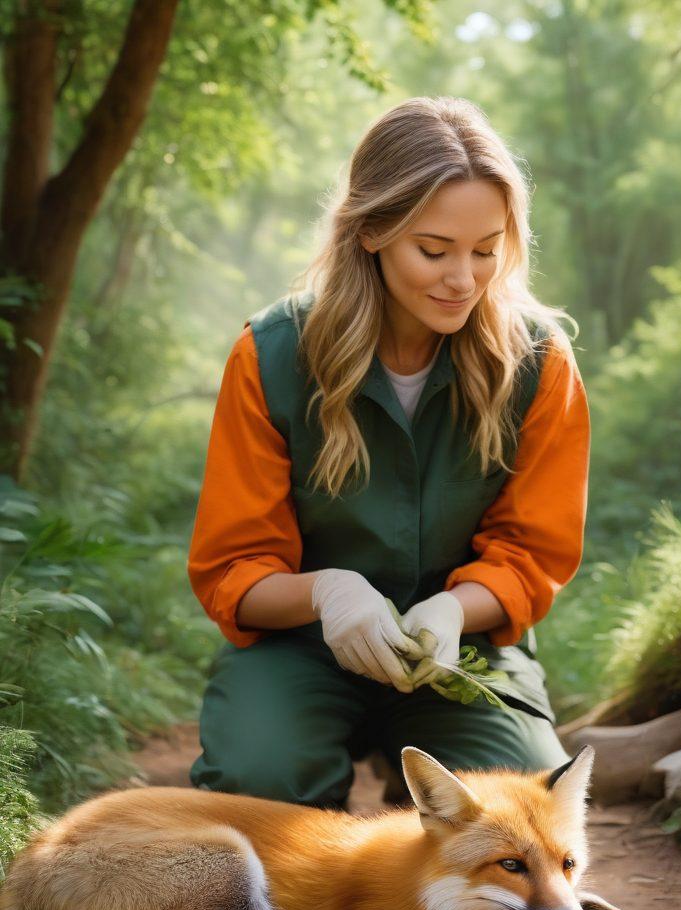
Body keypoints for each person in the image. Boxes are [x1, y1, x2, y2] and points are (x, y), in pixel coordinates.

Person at [187, 95, 591, 811]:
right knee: (260, 787)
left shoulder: (540, 364)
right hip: (299, 648)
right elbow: (232, 567)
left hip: (460, 647)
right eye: (433, 250)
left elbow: (532, 553)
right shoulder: (270, 355)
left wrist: (453, 610)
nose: (463, 279)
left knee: (517, 812)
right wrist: (329, 592)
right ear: (371, 230)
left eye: (486, 250)